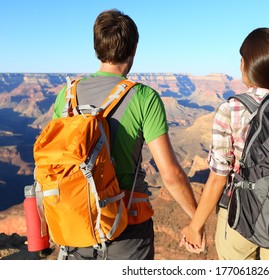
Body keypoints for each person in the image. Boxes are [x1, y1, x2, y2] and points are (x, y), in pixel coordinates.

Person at [52, 9, 203, 260]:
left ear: (96, 47)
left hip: (75, 224)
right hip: (127, 230)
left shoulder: (67, 95)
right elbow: (170, 174)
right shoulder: (144, 97)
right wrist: (196, 221)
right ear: (134, 49)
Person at [181, 27, 269, 260]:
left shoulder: (231, 109)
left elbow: (218, 178)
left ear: (246, 64)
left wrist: (195, 227)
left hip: (240, 217)